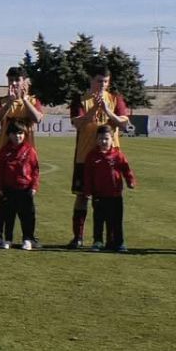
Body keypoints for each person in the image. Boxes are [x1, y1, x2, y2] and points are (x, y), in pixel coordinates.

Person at [66, 62, 131, 249]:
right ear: (91, 80)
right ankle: (78, 237)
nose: (103, 85)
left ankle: (110, 240)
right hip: (85, 157)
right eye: (99, 81)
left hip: (110, 160)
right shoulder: (81, 99)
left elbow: (123, 124)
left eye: (106, 81)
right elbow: (78, 124)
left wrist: (107, 110)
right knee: (82, 197)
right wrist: (95, 109)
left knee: (110, 199)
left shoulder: (115, 99)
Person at [82, 124, 137, 253]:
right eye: (101, 139)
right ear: (96, 139)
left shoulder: (118, 155)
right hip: (99, 195)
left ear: (112, 139)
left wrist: (131, 181)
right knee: (99, 220)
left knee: (116, 220)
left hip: (115, 195)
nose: (104, 141)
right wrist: (87, 191)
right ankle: (98, 241)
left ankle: (118, 243)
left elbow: (126, 169)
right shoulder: (92, 156)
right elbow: (88, 175)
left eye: (106, 138)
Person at [0, 123, 41, 250]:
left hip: (25, 189)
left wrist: (34, 187)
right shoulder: (4, 151)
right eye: (14, 133)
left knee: (27, 216)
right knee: (9, 215)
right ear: (8, 135)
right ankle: (8, 239)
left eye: (20, 133)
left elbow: (35, 170)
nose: (17, 136)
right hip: (9, 189)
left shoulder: (30, 150)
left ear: (25, 135)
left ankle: (27, 239)